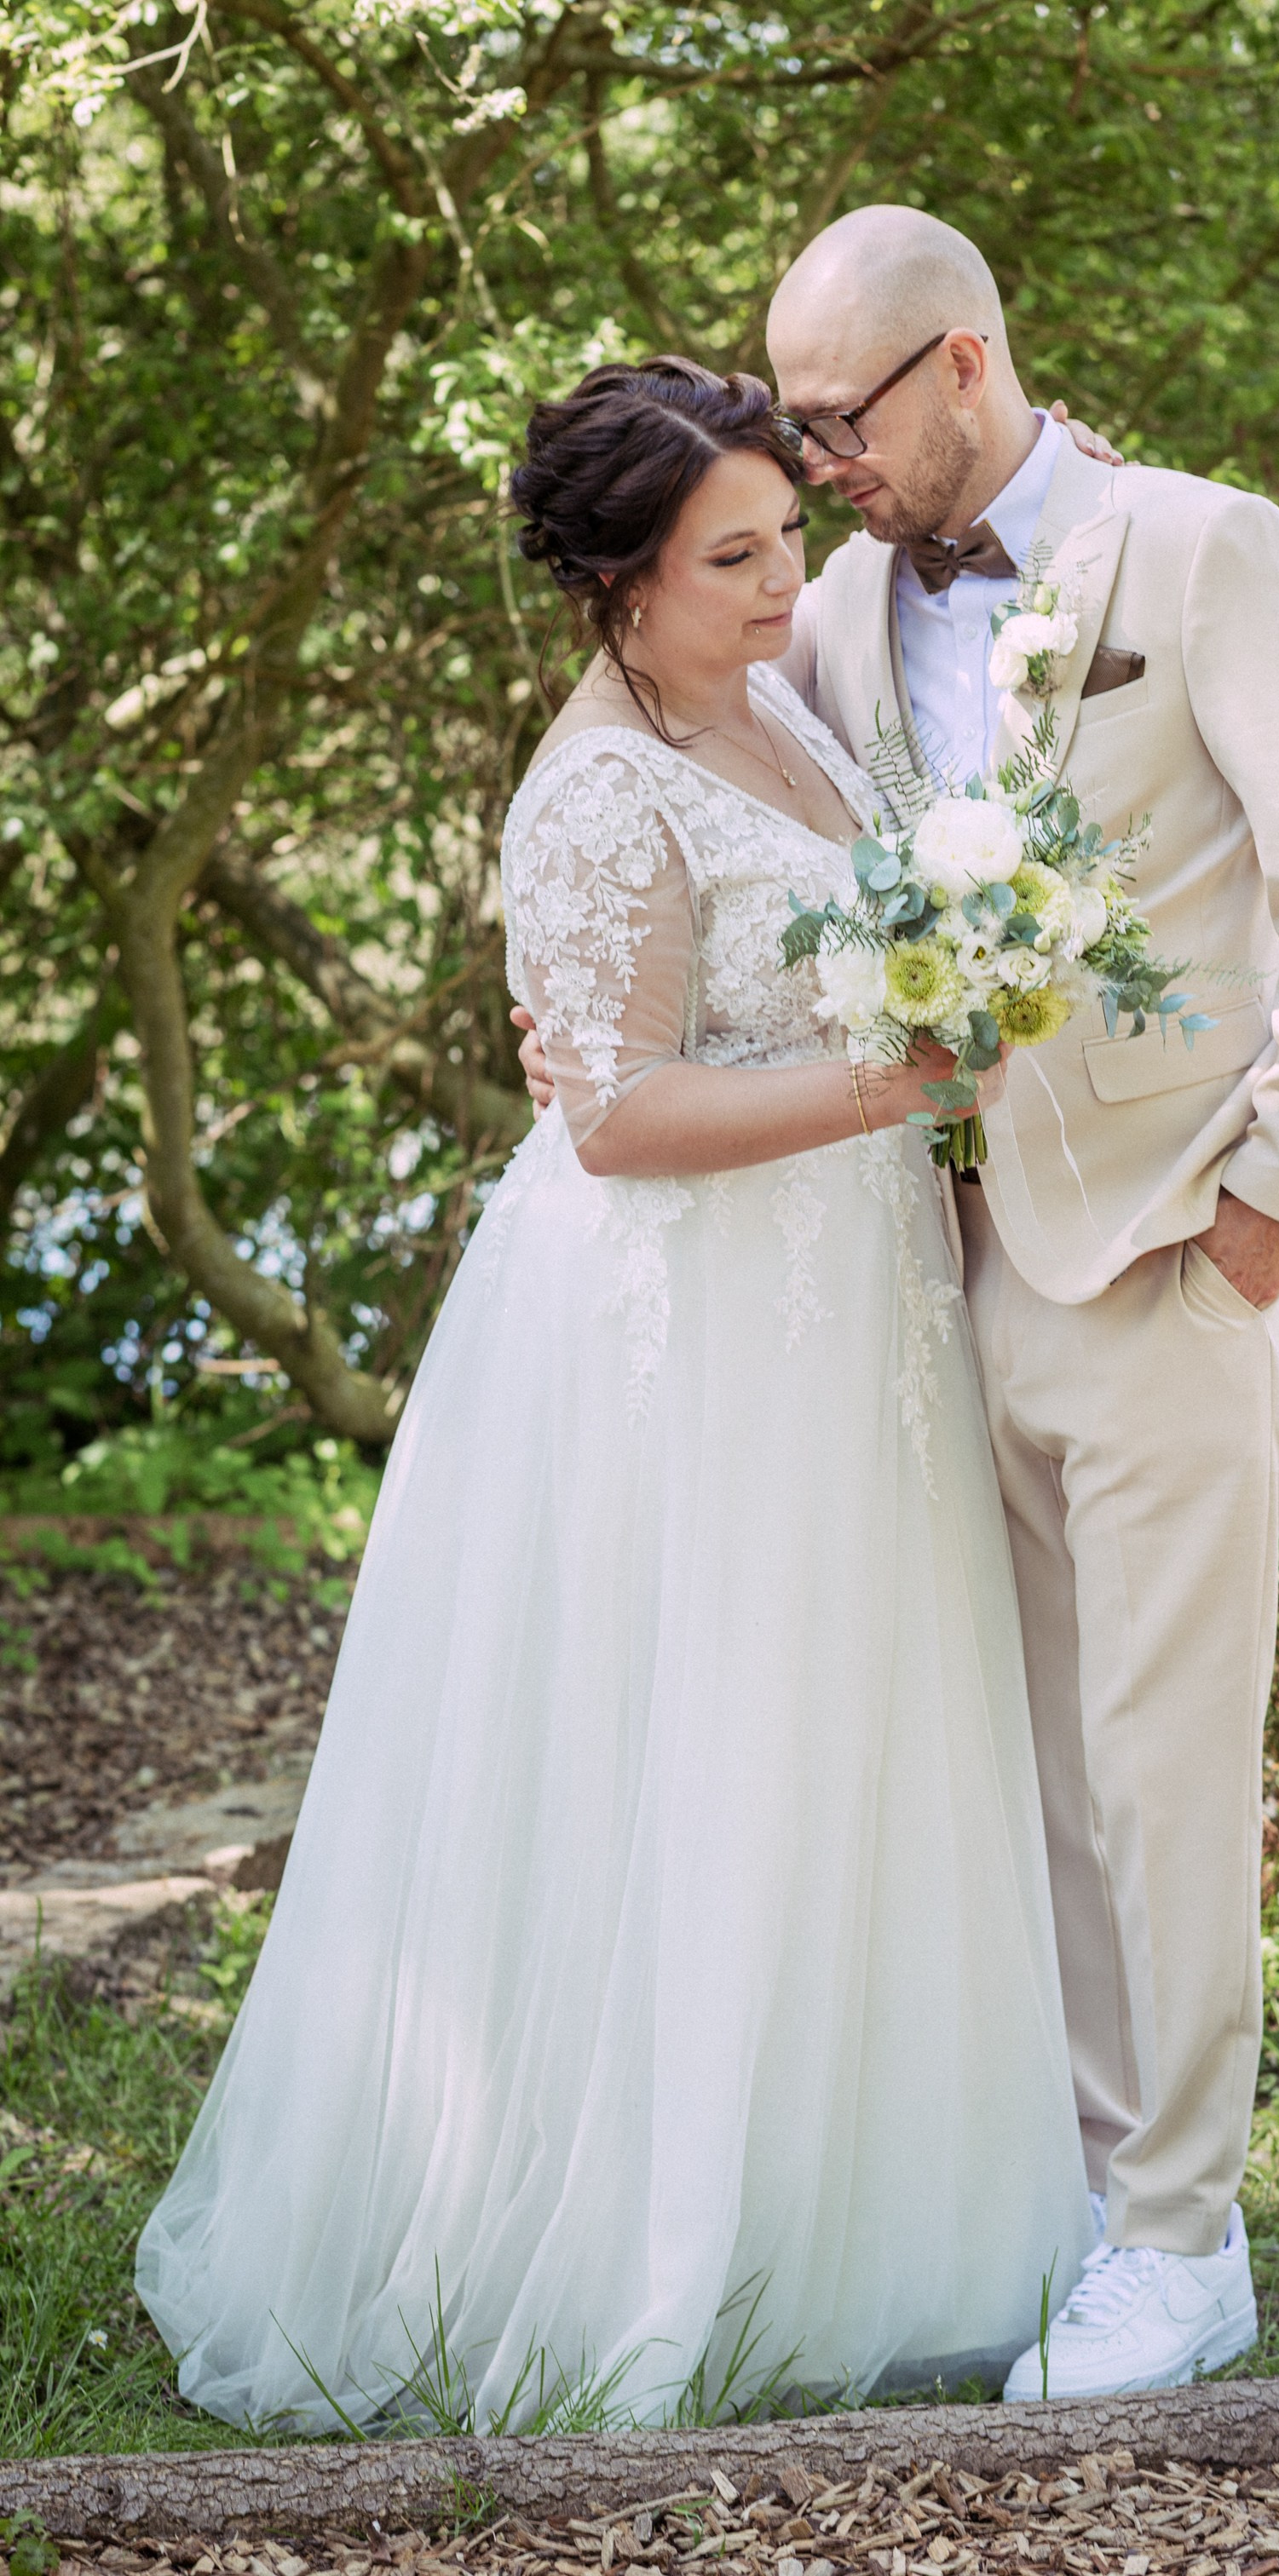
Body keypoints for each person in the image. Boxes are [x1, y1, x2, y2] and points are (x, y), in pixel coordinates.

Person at [519, 209, 1279, 2401]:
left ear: (957, 364)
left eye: (836, 417)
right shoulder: (828, 603)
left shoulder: (1199, 549)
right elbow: (730, 842)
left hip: (1165, 1253)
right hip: (930, 1290)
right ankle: (1072, 2201)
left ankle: (1183, 2244)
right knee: (1015, 1773)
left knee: (1163, 1761)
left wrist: (1272, 1210)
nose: (814, 463)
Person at [135, 359, 1093, 2434]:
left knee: (854, 1730)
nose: (784, 580)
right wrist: (899, 1083)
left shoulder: (771, 707)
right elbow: (618, 1115)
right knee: (694, 1736)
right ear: (615, 586)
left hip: (851, 1314)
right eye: (732, 557)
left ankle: (873, 2223)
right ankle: (646, 2241)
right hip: (689, 1336)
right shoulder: (589, 794)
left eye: (783, 536)